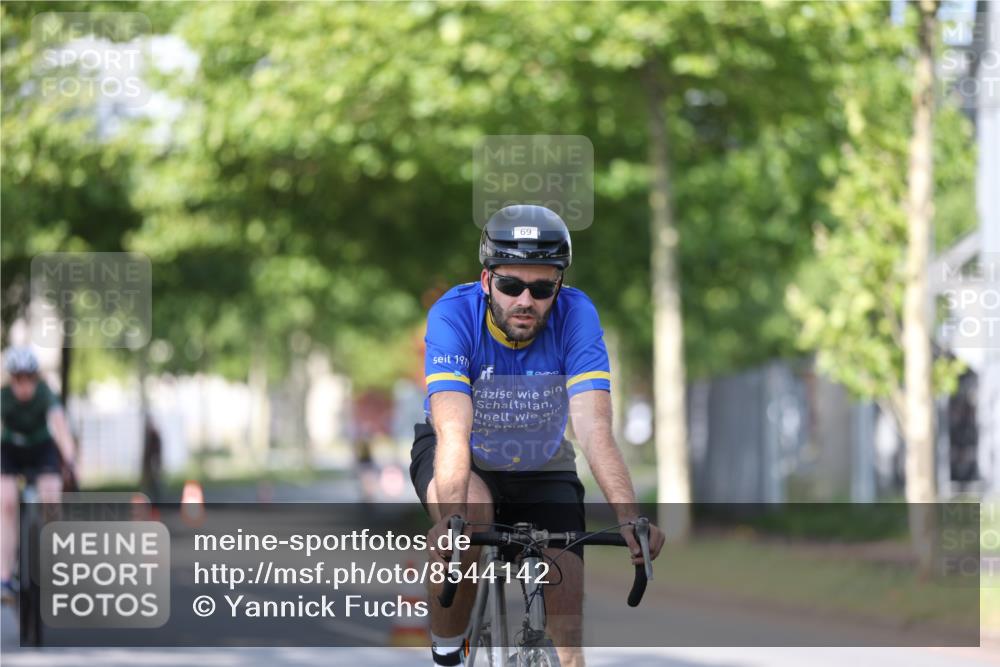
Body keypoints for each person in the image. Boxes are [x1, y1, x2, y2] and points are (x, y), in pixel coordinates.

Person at [409, 205, 665, 667]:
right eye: (511, 285)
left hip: (542, 460)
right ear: (487, 282)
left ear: (558, 287)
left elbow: (594, 429)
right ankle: (448, 650)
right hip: (464, 455)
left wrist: (631, 518)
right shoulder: (452, 314)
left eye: (542, 287)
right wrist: (451, 519)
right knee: (471, 517)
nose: (526, 300)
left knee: (567, 636)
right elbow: (452, 429)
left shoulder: (577, 315)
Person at [0, 346, 77, 604]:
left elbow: (60, 427)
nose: (23, 386)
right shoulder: (4, 398)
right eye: (18, 379)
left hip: (41, 448)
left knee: (51, 497)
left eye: (28, 379)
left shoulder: (45, 395)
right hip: (11, 450)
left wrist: (70, 458)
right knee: (7, 503)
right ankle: (5, 577)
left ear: (35, 378)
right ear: (12, 379)